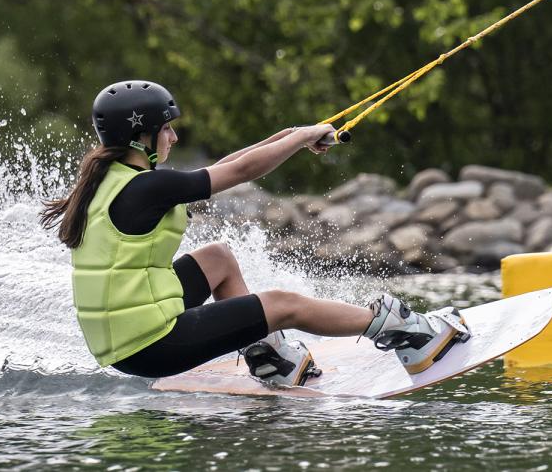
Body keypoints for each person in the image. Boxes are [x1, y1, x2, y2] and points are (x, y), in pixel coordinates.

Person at [40, 80, 469, 386]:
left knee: (219, 258)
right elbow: (241, 171)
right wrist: (300, 138)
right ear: (141, 136)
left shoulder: (108, 179)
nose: (172, 136)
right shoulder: (149, 186)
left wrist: (292, 137)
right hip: (150, 347)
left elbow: (226, 165)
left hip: (125, 337)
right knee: (283, 304)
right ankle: (404, 332)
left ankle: (269, 357)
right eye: (166, 128)